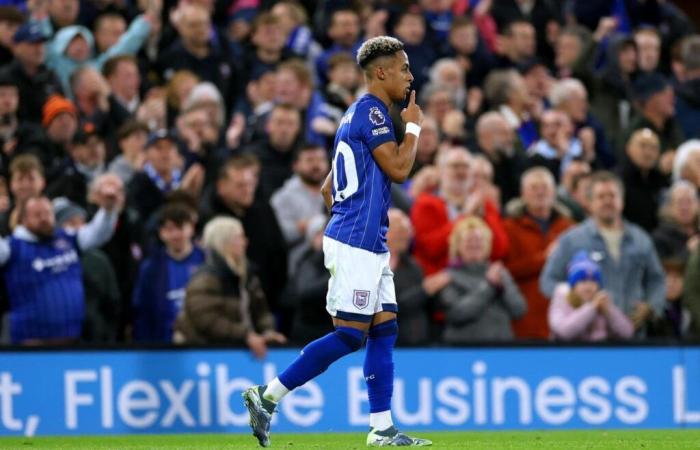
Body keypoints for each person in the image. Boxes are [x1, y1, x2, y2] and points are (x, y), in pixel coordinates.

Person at [243, 36, 432, 448]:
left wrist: (352, 219)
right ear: (380, 72)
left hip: (364, 241)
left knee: (384, 330)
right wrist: (414, 124)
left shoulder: (352, 115)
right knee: (350, 334)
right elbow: (400, 170)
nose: (409, 76)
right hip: (358, 243)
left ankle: (381, 428)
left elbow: (329, 189)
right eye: (403, 68)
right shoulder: (374, 114)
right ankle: (266, 396)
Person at [174, 217, 285, 349]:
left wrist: (268, 332)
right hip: (208, 351)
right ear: (224, 242)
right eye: (240, 237)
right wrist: (245, 335)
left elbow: (261, 310)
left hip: (242, 349)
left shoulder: (247, 274)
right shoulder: (206, 277)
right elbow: (207, 320)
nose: (245, 242)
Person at [440, 216, 526, 343]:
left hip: (500, 348)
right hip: (463, 350)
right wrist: (490, 286)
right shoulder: (448, 276)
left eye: (479, 240)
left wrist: (503, 287)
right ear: (457, 245)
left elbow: (519, 310)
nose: (475, 244)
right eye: (469, 240)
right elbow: (457, 314)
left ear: (487, 245)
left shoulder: (500, 273)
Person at [548, 252, 635, 342]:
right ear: (573, 286)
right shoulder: (563, 299)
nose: (588, 286)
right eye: (583, 281)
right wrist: (592, 307)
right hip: (567, 354)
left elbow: (627, 333)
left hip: (598, 354)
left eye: (593, 281)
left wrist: (609, 310)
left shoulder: (602, 301)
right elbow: (564, 332)